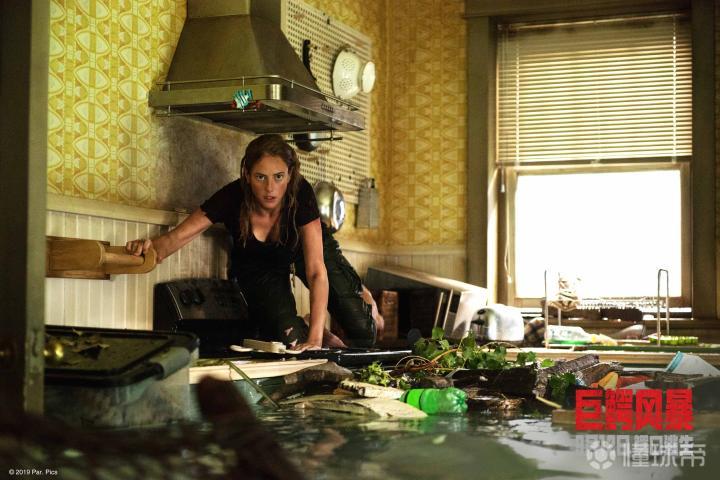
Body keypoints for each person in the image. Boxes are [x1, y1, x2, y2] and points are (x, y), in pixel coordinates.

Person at [126, 134, 379, 351]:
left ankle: (358, 301)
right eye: (260, 177)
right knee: (290, 345)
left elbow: (315, 271)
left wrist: (314, 340)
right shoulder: (231, 197)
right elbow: (175, 239)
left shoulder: (301, 193)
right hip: (259, 267)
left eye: (278, 177)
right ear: (246, 175)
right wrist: (146, 248)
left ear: (290, 175)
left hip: (306, 250)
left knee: (364, 332)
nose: (270, 188)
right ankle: (309, 325)